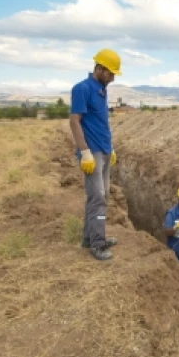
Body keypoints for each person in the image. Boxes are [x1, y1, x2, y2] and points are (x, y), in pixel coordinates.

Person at [69, 48, 121, 261]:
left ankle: (90, 237)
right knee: (97, 197)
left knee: (101, 196)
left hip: (105, 150)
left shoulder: (101, 89)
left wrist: (111, 148)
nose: (113, 78)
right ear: (99, 68)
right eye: (110, 73)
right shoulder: (82, 88)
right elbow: (74, 121)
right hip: (93, 153)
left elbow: (100, 122)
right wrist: (85, 152)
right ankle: (97, 244)